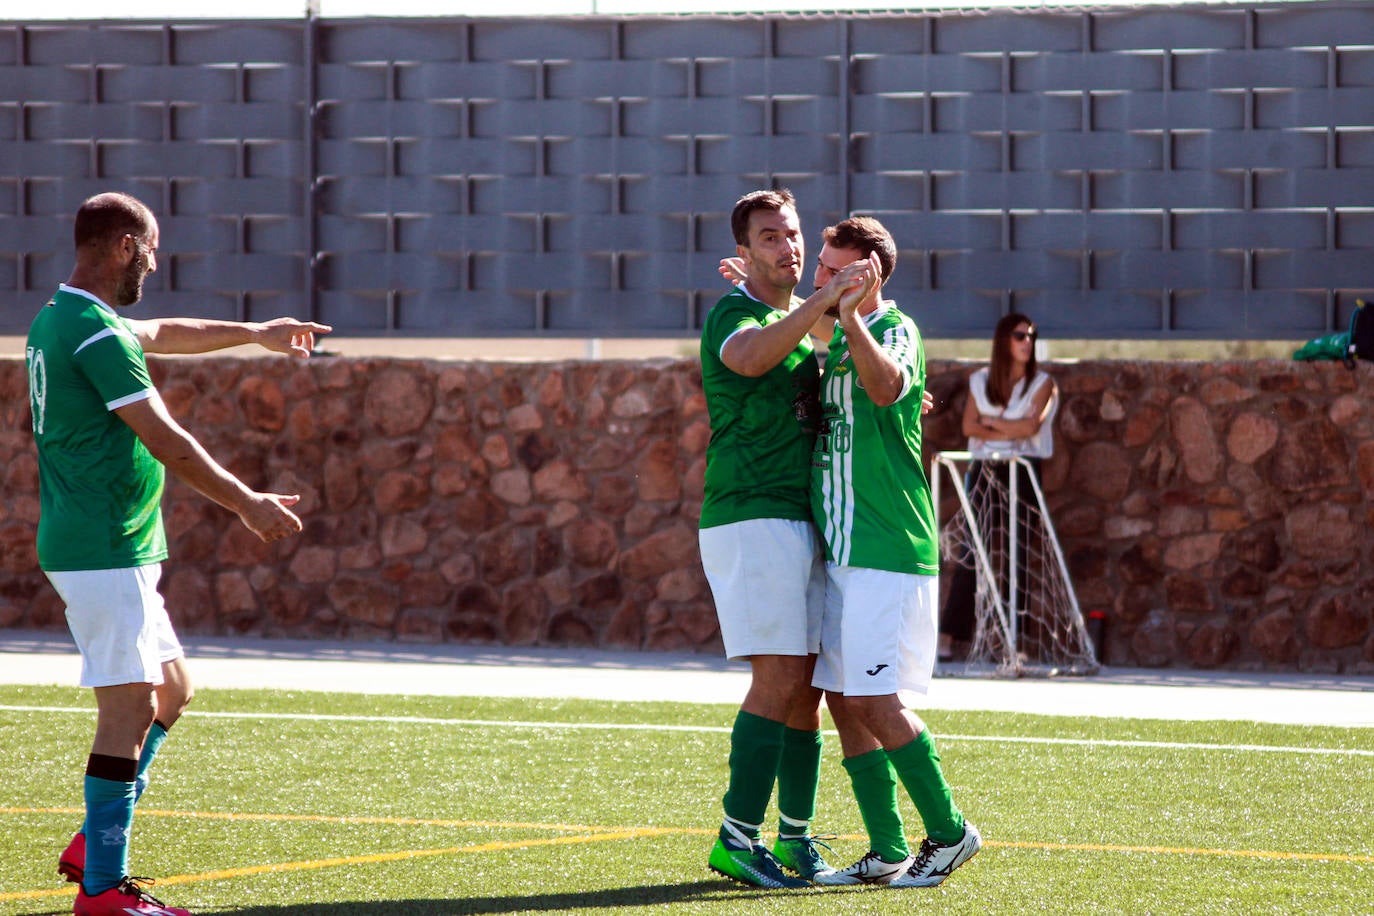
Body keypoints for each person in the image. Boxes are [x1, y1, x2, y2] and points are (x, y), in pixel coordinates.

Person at [25, 191, 330, 916]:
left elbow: (161, 331)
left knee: (172, 691)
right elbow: (165, 436)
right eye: (153, 249)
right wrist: (246, 502)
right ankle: (103, 890)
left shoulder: (68, 318)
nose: (156, 264)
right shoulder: (92, 330)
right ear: (124, 245)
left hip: (114, 545)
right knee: (129, 706)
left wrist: (255, 331)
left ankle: (90, 847)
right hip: (100, 547)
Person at [698, 188, 877, 889]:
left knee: (803, 689)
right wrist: (817, 301)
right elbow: (746, 360)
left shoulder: (797, 321)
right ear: (744, 252)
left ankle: (795, 838)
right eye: (769, 237)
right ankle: (737, 838)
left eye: (793, 234)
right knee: (776, 678)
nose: (789, 247)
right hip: (751, 515)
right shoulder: (735, 312)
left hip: (799, 518)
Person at [808, 216, 981, 888]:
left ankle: (949, 831)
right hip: (847, 551)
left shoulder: (892, 331)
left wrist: (850, 317)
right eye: (819, 264)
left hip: (886, 549)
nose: (817, 276)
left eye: (831, 268)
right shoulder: (840, 331)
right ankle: (886, 848)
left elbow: (886, 389)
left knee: (878, 700)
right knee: (844, 701)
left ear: (868, 273)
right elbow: (800, 324)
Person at [938, 313, 1059, 662]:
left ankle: (1015, 643)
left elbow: (1029, 428)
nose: (1027, 342)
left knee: (1018, 554)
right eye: (1020, 335)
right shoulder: (981, 380)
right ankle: (948, 637)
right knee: (973, 552)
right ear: (1004, 340)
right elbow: (969, 427)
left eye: (1032, 336)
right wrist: (1006, 425)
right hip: (984, 470)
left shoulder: (1043, 382)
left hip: (1022, 471)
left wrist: (991, 422)